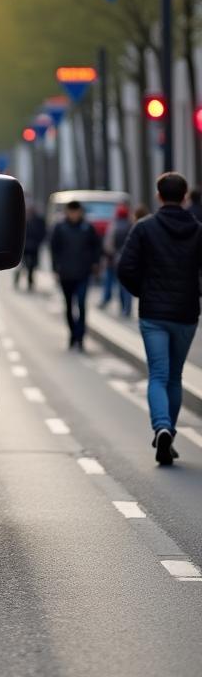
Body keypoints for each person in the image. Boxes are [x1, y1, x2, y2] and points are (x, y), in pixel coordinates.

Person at [118, 171, 202, 466]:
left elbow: (124, 267)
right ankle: (170, 433)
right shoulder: (197, 229)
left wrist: (143, 291)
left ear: (158, 195)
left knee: (158, 374)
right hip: (186, 313)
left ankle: (161, 426)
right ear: (185, 196)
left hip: (154, 313)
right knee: (175, 377)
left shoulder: (144, 228)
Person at [50, 200, 101, 349]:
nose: (74, 215)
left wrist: (95, 263)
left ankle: (80, 336)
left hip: (83, 273)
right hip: (65, 274)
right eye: (71, 212)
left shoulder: (88, 227)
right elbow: (54, 248)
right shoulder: (60, 228)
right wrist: (55, 268)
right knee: (68, 306)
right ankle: (72, 333)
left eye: (76, 211)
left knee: (82, 305)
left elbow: (96, 246)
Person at [99, 203, 133, 315]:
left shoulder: (113, 226)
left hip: (112, 260)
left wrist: (111, 254)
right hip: (127, 261)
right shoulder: (130, 225)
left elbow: (108, 244)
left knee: (109, 282)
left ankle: (106, 300)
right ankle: (126, 308)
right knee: (125, 286)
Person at [15, 204, 47, 290]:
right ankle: (17, 279)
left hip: (34, 247)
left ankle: (30, 282)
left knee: (32, 266)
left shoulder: (39, 220)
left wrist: (38, 242)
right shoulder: (21, 219)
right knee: (21, 265)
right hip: (23, 247)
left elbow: (43, 232)